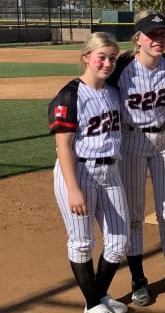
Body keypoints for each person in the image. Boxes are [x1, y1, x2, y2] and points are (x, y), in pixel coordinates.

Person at [107, 10, 165, 306]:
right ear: (137, 39)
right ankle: (139, 280)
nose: (158, 39)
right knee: (135, 214)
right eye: (151, 34)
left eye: (162, 33)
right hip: (132, 141)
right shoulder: (121, 68)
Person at [48, 32, 129, 313]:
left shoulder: (112, 91)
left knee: (119, 240)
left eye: (113, 58)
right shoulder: (70, 95)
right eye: (101, 57)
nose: (107, 63)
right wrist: (73, 189)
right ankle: (94, 305)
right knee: (82, 242)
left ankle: (97, 296)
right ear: (86, 57)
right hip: (79, 171)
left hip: (111, 172)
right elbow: (63, 146)